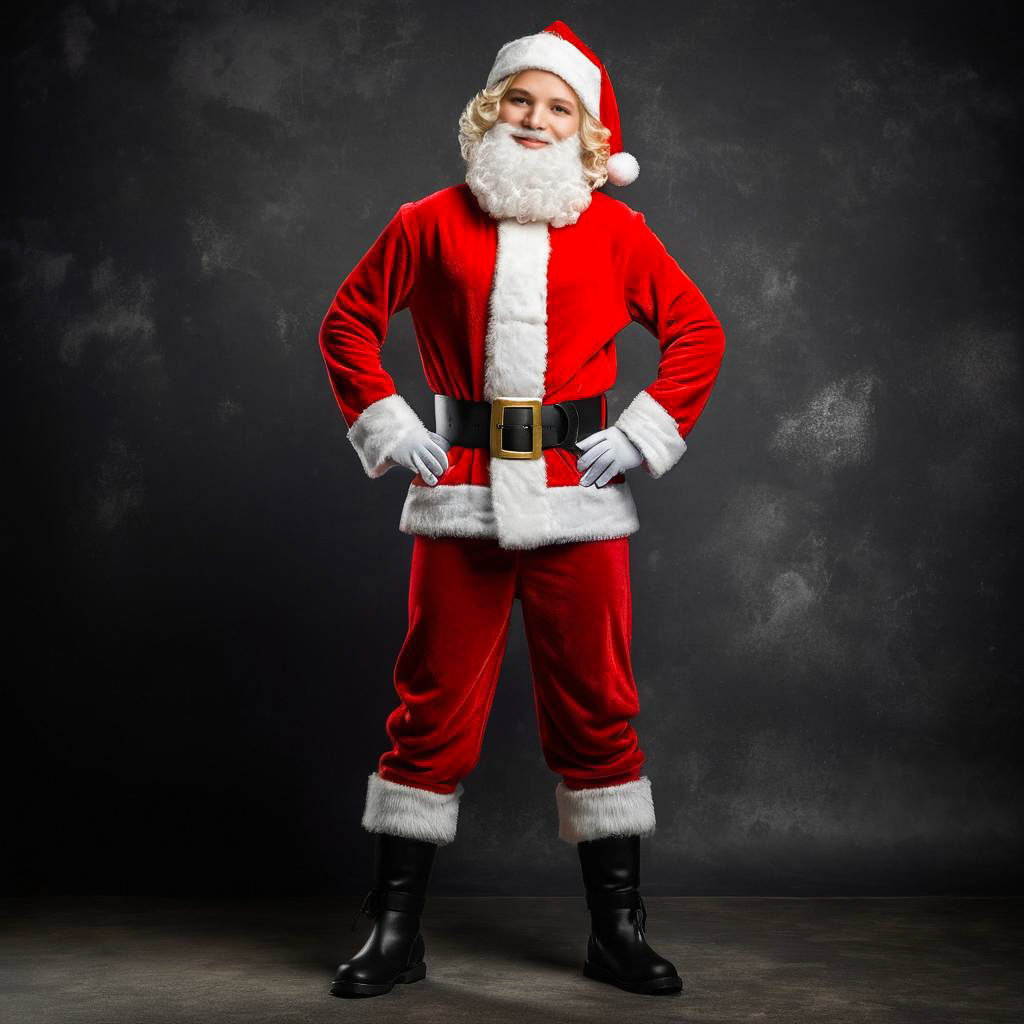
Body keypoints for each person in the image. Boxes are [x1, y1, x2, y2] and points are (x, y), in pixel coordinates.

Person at [317, 19, 726, 999]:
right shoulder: (425, 220)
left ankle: (616, 932)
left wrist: (637, 434)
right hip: (456, 493)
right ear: (488, 109)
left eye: (558, 106)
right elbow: (346, 322)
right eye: (519, 99)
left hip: (577, 502)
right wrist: (385, 420)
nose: (535, 119)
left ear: (586, 131)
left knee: (598, 708)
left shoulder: (620, 231)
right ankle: (394, 930)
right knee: (427, 712)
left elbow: (697, 332)